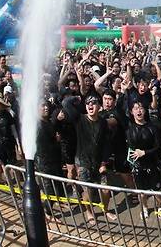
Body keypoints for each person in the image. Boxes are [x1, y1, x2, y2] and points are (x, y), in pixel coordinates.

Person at [58, 94, 113, 224]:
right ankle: (89, 212)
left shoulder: (103, 122)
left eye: (94, 103)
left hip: (99, 162)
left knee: (105, 190)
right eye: (88, 103)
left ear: (99, 107)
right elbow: (66, 103)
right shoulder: (79, 119)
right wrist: (76, 98)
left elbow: (106, 143)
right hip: (82, 162)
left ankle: (105, 209)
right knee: (87, 192)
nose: (90, 105)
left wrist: (104, 162)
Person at [126, 100, 161, 219]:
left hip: (152, 163)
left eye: (141, 108)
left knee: (156, 188)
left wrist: (144, 152)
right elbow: (130, 148)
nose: (139, 110)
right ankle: (144, 208)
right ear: (131, 112)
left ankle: (160, 206)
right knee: (141, 190)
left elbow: (158, 147)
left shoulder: (153, 127)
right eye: (135, 108)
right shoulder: (129, 129)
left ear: (145, 110)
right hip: (138, 165)